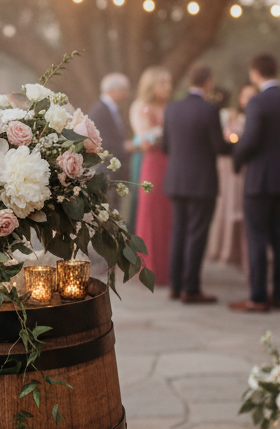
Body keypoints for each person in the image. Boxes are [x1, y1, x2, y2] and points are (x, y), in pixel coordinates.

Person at [229, 53, 280, 312]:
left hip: (260, 178)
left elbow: (249, 141)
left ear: (255, 72)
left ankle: (258, 297)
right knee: (279, 235)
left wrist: (236, 162)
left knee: (257, 236)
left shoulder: (257, 102)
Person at [162, 64, 231, 302]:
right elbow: (220, 147)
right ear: (208, 82)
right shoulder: (210, 110)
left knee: (178, 232)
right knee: (197, 234)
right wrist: (239, 144)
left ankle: (175, 285)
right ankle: (191, 289)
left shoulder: (172, 109)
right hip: (201, 181)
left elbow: (165, 146)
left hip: (176, 179)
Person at [131, 67, 174, 284]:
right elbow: (143, 140)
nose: (168, 88)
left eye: (169, 83)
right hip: (153, 164)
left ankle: (169, 268)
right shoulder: (141, 107)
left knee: (169, 214)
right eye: (163, 83)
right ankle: (151, 268)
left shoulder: (171, 108)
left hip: (171, 162)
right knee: (151, 213)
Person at [87, 73, 131, 208]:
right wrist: (124, 147)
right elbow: (104, 140)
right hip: (105, 166)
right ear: (112, 89)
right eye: (123, 89)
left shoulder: (110, 109)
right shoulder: (100, 111)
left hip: (112, 165)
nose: (126, 93)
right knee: (107, 205)